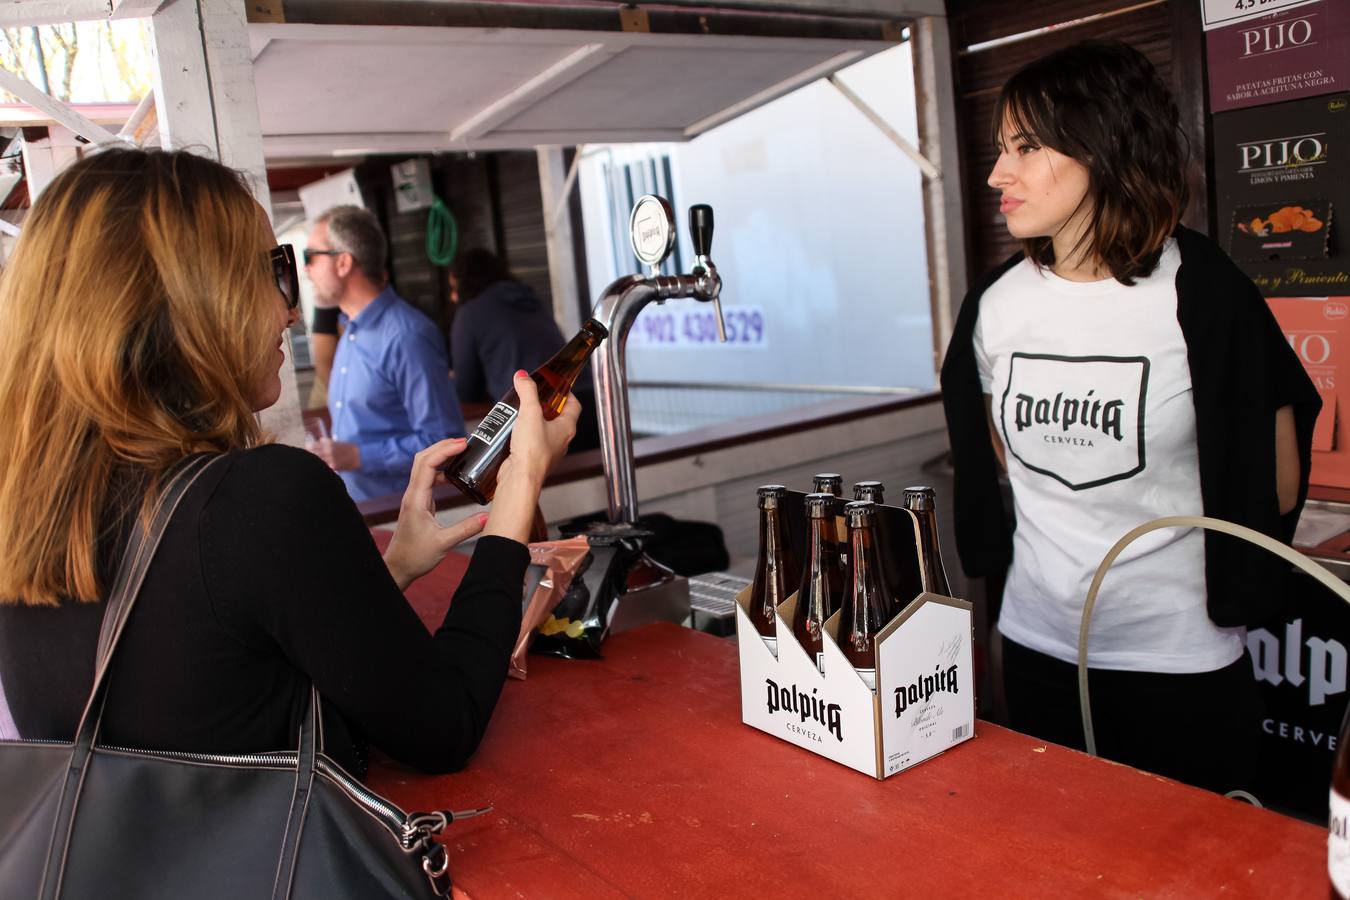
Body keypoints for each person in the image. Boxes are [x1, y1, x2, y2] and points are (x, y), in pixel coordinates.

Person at [0, 148, 579, 779]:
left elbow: (220, 672)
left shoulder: (28, 506)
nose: (292, 310)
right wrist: (518, 488)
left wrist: (393, 569)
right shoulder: (260, 499)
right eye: (275, 270)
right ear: (194, 302)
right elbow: (445, 725)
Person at [939, 40, 1319, 794]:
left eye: (1027, 147)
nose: (996, 175)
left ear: (1102, 144)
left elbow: (1273, 486)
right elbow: (999, 462)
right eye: (998, 149)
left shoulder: (1207, 295)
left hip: (1179, 663)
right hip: (1035, 644)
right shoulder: (996, 305)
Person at [306, 205, 466, 500]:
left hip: (398, 517)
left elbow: (444, 442)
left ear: (343, 263)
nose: (306, 269)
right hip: (361, 511)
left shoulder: (407, 336)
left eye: (311, 257)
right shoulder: (350, 331)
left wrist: (358, 456)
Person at [449, 248, 599, 451]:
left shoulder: (470, 314)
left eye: (453, 288)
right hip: (585, 401)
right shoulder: (529, 298)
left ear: (463, 284)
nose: (452, 296)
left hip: (539, 414)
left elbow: (466, 390)